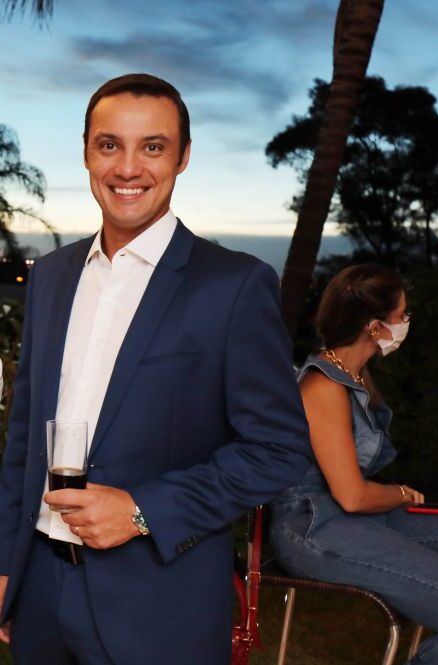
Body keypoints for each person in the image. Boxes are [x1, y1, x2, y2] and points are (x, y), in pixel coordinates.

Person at [0, 73, 311, 665]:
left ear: (183, 156)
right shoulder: (51, 276)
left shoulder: (234, 285)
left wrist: (143, 511)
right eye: (109, 144)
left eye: (152, 146)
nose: (127, 168)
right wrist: (4, 569)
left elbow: (278, 449)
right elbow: (23, 438)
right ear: (86, 152)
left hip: (159, 606)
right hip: (38, 589)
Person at [269, 264, 438, 665]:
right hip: (315, 527)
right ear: (375, 327)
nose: (406, 323)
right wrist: (399, 493)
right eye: (402, 315)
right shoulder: (324, 387)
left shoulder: (352, 373)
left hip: (352, 517)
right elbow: (352, 496)